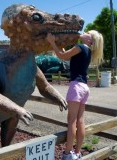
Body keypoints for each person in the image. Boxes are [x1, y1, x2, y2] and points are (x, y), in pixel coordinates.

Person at [46, 30, 104, 160]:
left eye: (88, 32)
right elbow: (66, 54)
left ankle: (67, 154)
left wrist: (52, 42)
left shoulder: (81, 47)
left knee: (71, 120)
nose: (84, 32)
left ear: (90, 40)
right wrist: (59, 44)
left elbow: (62, 56)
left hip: (76, 86)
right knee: (80, 120)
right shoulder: (87, 50)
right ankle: (77, 153)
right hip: (84, 87)